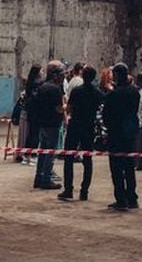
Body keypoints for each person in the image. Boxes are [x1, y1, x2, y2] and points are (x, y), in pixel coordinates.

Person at [59, 65, 103, 202]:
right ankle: (84, 191)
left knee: (69, 157)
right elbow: (101, 107)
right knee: (88, 159)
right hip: (88, 126)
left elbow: (69, 108)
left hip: (75, 125)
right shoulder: (97, 92)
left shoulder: (77, 91)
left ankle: (68, 189)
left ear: (83, 76)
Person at [103, 63, 142, 211]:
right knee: (129, 167)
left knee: (117, 168)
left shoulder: (113, 94)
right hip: (131, 132)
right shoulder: (134, 92)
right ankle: (132, 198)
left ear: (117, 75)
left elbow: (107, 115)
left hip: (116, 133)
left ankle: (121, 199)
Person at [32, 61, 65, 190]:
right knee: (50, 153)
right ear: (55, 75)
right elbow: (58, 108)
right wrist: (66, 108)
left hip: (43, 123)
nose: (63, 78)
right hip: (52, 124)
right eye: (61, 75)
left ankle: (38, 178)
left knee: (42, 151)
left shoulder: (43, 86)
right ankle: (46, 179)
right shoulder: (55, 89)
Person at [17, 62, 42, 166]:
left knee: (30, 133)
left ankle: (26, 156)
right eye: (41, 70)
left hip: (30, 111)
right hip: (36, 111)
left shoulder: (29, 82)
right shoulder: (38, 83)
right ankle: (33, 156)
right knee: (35, 134)